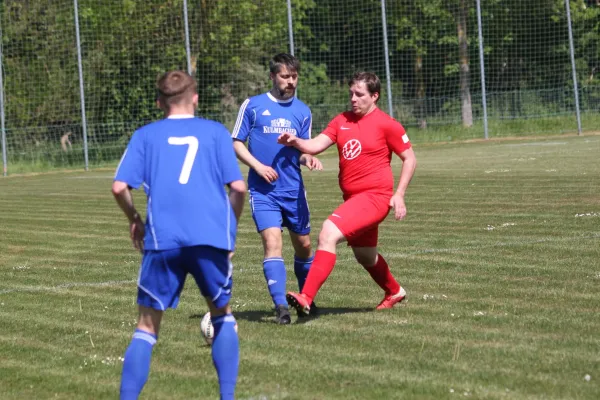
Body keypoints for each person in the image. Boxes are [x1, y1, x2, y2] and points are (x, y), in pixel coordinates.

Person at [112, 70, 246, 400]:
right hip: (209, 239)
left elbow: (119, 187)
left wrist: (135, 219)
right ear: (195, 97)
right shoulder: (215, 132)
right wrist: (229, 232)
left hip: (162, 239)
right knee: (222, 316)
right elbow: (239, 188)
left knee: (146, 328)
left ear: (160, 102)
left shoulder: (145, 135)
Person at [278, 71, 417, 316]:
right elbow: (316, 145)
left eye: (359, 94)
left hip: (375, 197)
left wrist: (400, 194)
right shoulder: (341, 120)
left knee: (328, 233)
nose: (353, 98)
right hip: (354, 199)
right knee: (365, 256)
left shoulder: (387, 124)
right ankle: (394, 291)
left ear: (374, 96)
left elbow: (409, 158)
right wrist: (295, 141)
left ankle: (306, 296)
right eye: (351, 93)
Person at [231, 53, 322, 324]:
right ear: (272, 76)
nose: (290, 81)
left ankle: (306, 297)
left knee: (304, 247)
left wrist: (309, 158)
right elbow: (236, 142)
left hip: (293, 190)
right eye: (285, 76)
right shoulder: (253, 106)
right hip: (263, 191)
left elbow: (302, 149)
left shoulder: (303, 111)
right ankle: (281, 305)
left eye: (294, 77)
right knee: (272, 244)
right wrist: (258, 167)